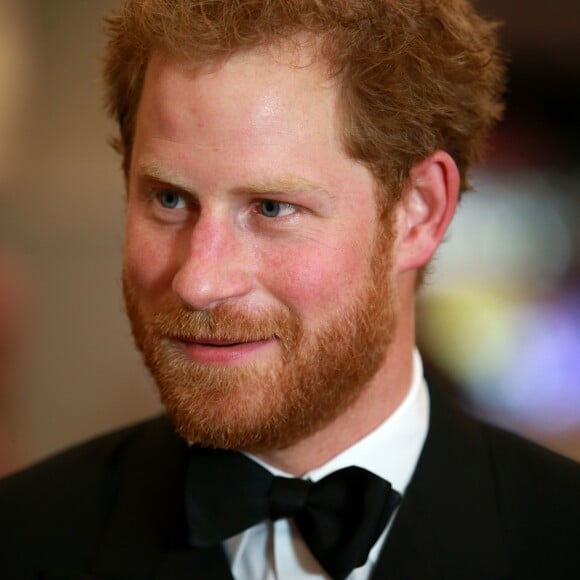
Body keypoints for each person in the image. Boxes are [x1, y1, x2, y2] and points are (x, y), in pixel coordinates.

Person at [1, 1, 579, 578]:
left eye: (272, 208)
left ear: (419, 212)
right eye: (169, 199)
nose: (199, 282)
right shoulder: (21, 539)